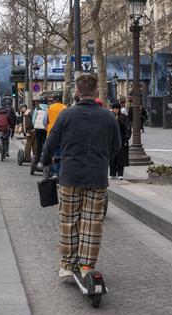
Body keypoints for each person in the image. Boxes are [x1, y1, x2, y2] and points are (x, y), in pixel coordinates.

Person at [43, 75, 121, 278]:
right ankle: (87, 265)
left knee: (69, 219)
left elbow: (51, 142)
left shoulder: (66, 115)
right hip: (97, 175)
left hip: (70, 175)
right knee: (92, 221)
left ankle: (68, 265)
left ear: (77, 92)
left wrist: (46, 160)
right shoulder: (108, 116)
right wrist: (104, 160)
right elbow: (117, 146)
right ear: (97, 92)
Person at [44, 95, 67, 175]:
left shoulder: (50, 108)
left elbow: (45, 121)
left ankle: (54, 172)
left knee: (52, 152)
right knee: (61, 153)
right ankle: (61, 172)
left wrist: (47, 128)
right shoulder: (65, 108)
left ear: (54, 101)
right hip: (63, 135)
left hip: (51, 133)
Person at [109, 103, 131, 180]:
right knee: (112, 158)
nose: (115, 110)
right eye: (114, 109)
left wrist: (126, 139)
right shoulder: (109, 117)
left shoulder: (124, 117)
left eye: (117, 109)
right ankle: (112, 173)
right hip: (111, 140)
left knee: (121, 158)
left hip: (122, 139)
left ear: (119, 109)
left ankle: (120, 174)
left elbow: (128, 129)